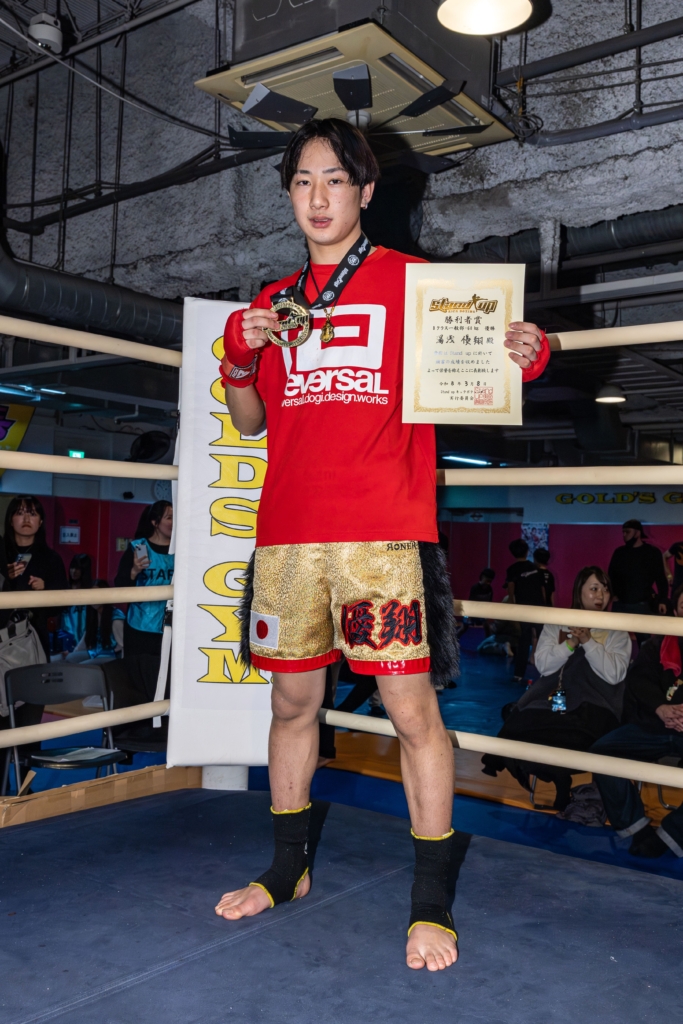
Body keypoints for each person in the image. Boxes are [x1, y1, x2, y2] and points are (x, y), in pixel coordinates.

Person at [213, 117, 550, 971]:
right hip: (289, 536)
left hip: (384, 537)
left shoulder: (417, 285)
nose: (317, 197)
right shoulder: (272, 302)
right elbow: (249, 422)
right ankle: (287, 869)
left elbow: (484, 368)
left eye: (334, 180)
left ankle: (429, 901)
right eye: (302, 181)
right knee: (291, 707)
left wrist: (522, 351)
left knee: (412, 715)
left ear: (365, 191)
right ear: (289, 194)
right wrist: (238, 360)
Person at [482, 566, 631, 810]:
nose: (600, 596)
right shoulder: (558, 623)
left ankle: (558, 776)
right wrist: (571, 643)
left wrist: (588, 642)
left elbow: (614, 676)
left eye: (605, 590)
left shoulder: (617, 631)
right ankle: (557, 776)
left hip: (596, 705)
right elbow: (544, 666)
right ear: (579, 591)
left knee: (572, 736)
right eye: (594, 589)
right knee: (521, 726)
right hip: (554, 700)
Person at [591, 583, 683, 860]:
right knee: (601, 753)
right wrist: (660, 707)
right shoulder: (657, 644)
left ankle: (672, 835)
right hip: (653, 726)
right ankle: (636, 828)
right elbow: (639, 680)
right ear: (676, 611)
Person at [114, 500, 173, 715]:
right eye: (169, 517)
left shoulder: (182, 550)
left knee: (167, 684)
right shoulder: (139, 548)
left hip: (171, 629)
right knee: (137, 685)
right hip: (140, 629)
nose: (174, 522)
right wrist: (133, 571)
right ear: (155, 522)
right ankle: (136, 727)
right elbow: (119, 586)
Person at [4, 495, 67, 659]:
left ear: (40, 522)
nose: (26, 519)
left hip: (35, 637)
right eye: (20, 513)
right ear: (10, 520)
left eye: (32, 514)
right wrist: (4, 578)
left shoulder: (51, 558)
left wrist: (45, 590)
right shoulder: (2, 554)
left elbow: (62, 604)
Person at [608, 520, 667, 645]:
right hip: (621, 602)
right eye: (623, 532)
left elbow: (660, 578)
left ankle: (644, 659)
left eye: (627, 532)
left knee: (644, 641)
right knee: (613, 639)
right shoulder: (620, 552)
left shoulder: (652, 552)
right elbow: (611, 576)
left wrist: (662, 600)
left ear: (637, 533)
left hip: (642, 603)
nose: (624, 535)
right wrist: (612, 595)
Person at [505, 538, 546, 682]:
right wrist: (545, 606)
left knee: (524, 640)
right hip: (538, 608)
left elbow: (511, 591)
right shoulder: (535, 567)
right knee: (543, 640)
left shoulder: (512, 569)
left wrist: (513, 608)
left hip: (523, 609)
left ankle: (518, 675)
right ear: (527, 551)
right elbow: (542, 590)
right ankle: (547, 674)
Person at [66, 580, 124, 664]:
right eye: (91, 595)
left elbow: (123, 645)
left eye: (97, 594)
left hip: (111, 655)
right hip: (96, 652)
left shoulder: (116, 618)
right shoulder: (94, 615)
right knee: (70, 658)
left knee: (82, 666)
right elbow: (84, 641)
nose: (93, 598)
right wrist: (73, 653)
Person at [60, 553, 93, 653]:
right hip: (66, 639)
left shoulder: (91, 591)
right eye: (72, 567)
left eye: (78, 568)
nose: (74, 571)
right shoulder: (64, 588)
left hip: (85, 642)